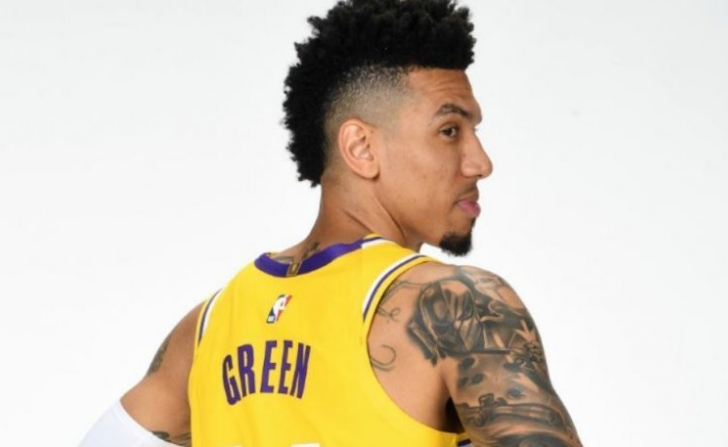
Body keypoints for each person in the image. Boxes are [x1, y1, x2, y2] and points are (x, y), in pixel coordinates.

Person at [79, 0, 584, 446]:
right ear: (361, 148)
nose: (480, 162)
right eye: (450, 130)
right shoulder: (457, 307)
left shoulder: (210, 326)